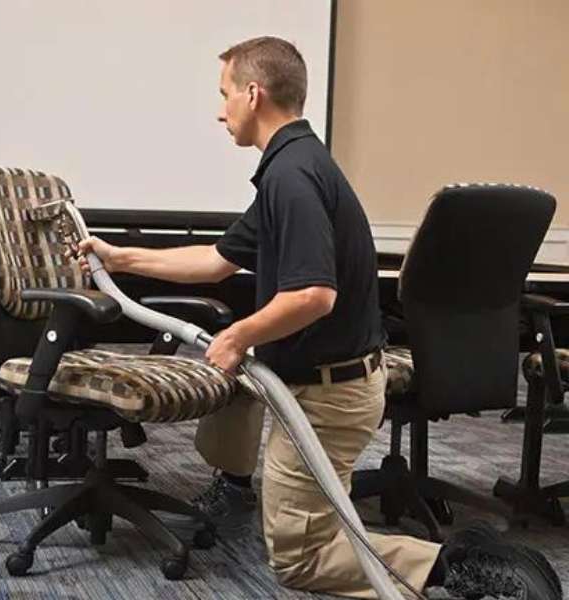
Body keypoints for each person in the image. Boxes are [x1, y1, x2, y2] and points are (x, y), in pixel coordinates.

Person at [76, 37, 560, 599]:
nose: (219, 109)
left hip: (329, 398)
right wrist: (117, 256)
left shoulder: (292, 177)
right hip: (322, 379)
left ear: (253, 94)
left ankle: (454, 567)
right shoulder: (295, 163)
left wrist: (238, 335)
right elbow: (215, 261)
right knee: (241, 399)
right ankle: (236, 487)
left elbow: (312, 295)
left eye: (225, 94)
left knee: (301, 560)